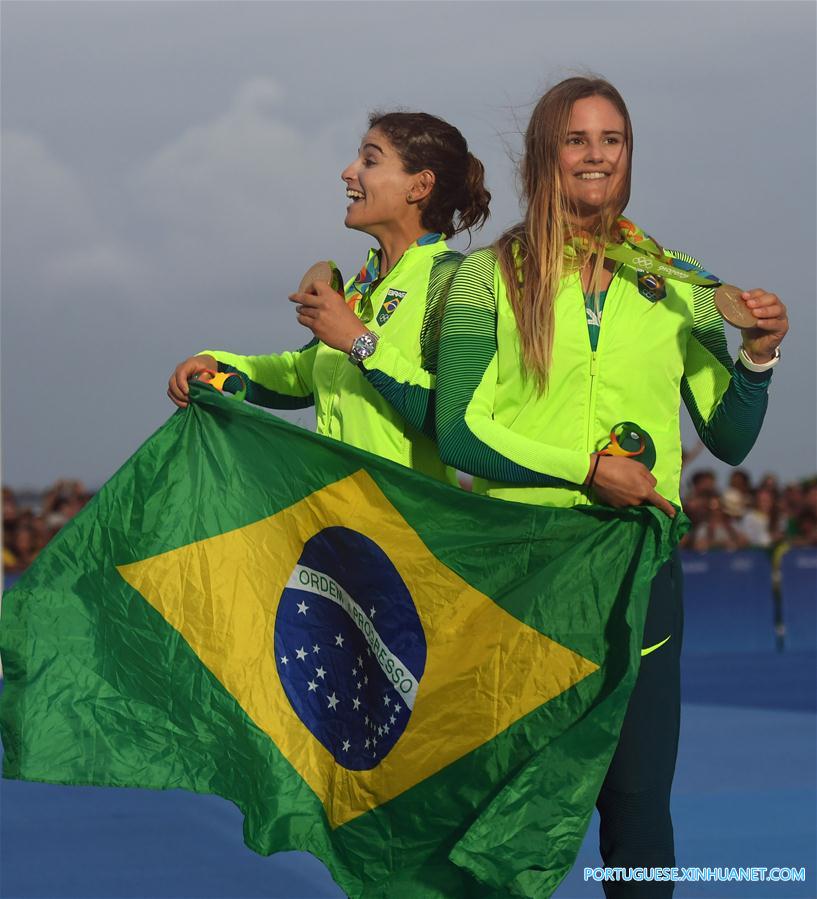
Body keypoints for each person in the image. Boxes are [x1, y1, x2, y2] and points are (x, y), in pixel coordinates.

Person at [434, 77, 788, 895]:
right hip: (520, 573)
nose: (595, 155)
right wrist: (586, 471)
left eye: (612, 139)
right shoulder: (481, 281)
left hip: (637, 575)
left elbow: (728, 439)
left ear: (628, 156)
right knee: (499, 809)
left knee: (635, 807)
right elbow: (459, 430)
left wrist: (759, 356)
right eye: (576, 139)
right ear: (543, 155)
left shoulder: (680, 283)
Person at [167, 112, 490, 482]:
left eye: (370, 160)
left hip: (404, 528)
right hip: (336, 521)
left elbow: (453, 420)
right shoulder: (359, 285)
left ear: (419, 186)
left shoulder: (452, 279)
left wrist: (358, 342)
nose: (348, 172)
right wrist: (219, 364)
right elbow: (302, 376)